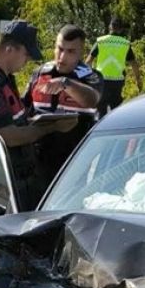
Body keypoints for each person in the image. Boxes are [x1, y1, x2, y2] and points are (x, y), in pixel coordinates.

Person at [0, 20, 77, 206]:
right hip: (2, 182)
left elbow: (18, 118)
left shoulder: (4, 78)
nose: (27, 61)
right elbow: (9, 135)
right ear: (9, 49)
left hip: (19, 175)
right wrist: (51, 127)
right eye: (26, 54)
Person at [24, 25, 103, 183]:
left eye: (71, 51)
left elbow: (92, 99)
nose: (62, 56)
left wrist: (66, 83)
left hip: (74, 164)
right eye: (60, 49)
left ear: (81, 52)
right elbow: (24, 109)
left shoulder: (90, 76)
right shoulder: (40, 73)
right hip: (37, 161)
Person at [86, 18, 143, 116]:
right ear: (121, 29)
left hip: (101, 81)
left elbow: (88, 62)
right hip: (117, 82)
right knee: (116, 112)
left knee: (100, 112)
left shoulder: (101, 41)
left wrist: (88, 79)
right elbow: (133, 64)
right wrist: (138, 80)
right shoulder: (125, 44)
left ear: (110, 27)